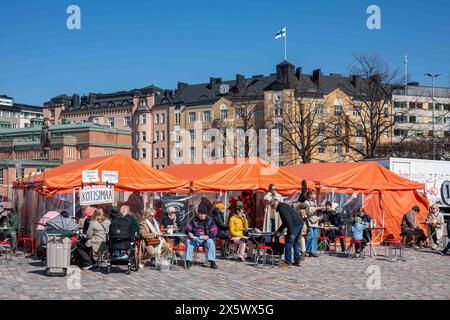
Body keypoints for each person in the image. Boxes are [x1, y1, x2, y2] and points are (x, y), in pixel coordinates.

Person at [184, 203, 218, 269]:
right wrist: (188, 233)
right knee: (188, 241)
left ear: (206, 214)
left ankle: (212, 262)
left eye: (202, 214)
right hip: (195, 238)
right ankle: (188, 261)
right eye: (199, 213)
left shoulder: (211, 220)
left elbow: (214, 232)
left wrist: (208, 236)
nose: (200, 215)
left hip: (206, 239)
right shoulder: (194, 220)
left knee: (210, 242)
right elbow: (187, 228)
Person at [271, 199, 303, 267]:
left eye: (272, 207)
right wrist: (279, 230)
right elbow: (285, 222)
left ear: (274, 205)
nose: (273, 209)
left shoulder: (282, 208)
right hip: (299, 223)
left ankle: (287, 261)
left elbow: (288, 221)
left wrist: (290, 233)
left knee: (289, 242)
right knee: (295, 242)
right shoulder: (283, 206)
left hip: (295, 224)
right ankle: (297, 260)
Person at [304, 190, 323, 257]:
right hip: (309, 222)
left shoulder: (314, 202)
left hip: (315, 222)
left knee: (315, 237)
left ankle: (313, 251)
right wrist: (315, 208)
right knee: (310, 237)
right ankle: (306, 251)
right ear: (310, 195)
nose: (315, 196)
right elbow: (308, 212)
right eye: (314, 194)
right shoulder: (306, 202)